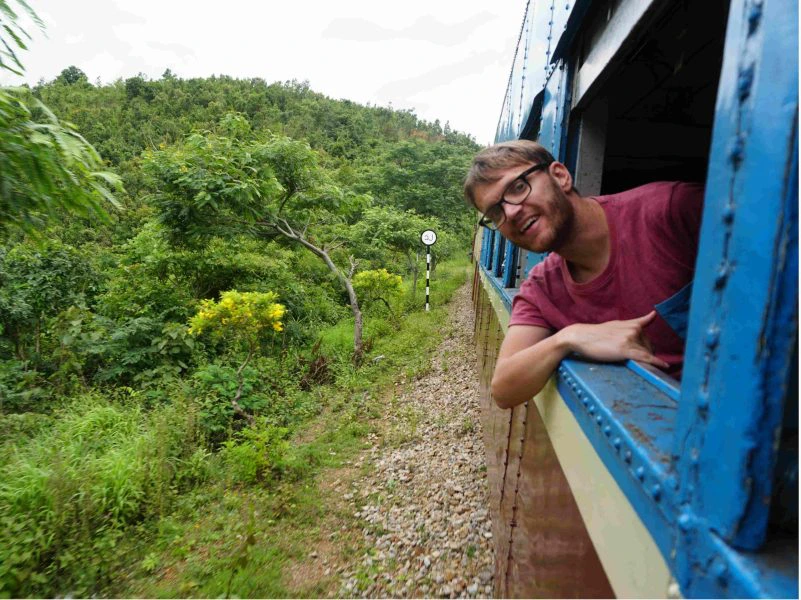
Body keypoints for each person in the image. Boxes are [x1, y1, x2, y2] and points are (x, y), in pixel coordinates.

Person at [464, 140, 703, 409]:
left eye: (518, 187)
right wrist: (568, 337)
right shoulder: (542, 288)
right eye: (496, 212)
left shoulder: (673, 211)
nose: (511, 212)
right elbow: (503, 389)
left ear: (560, 176)